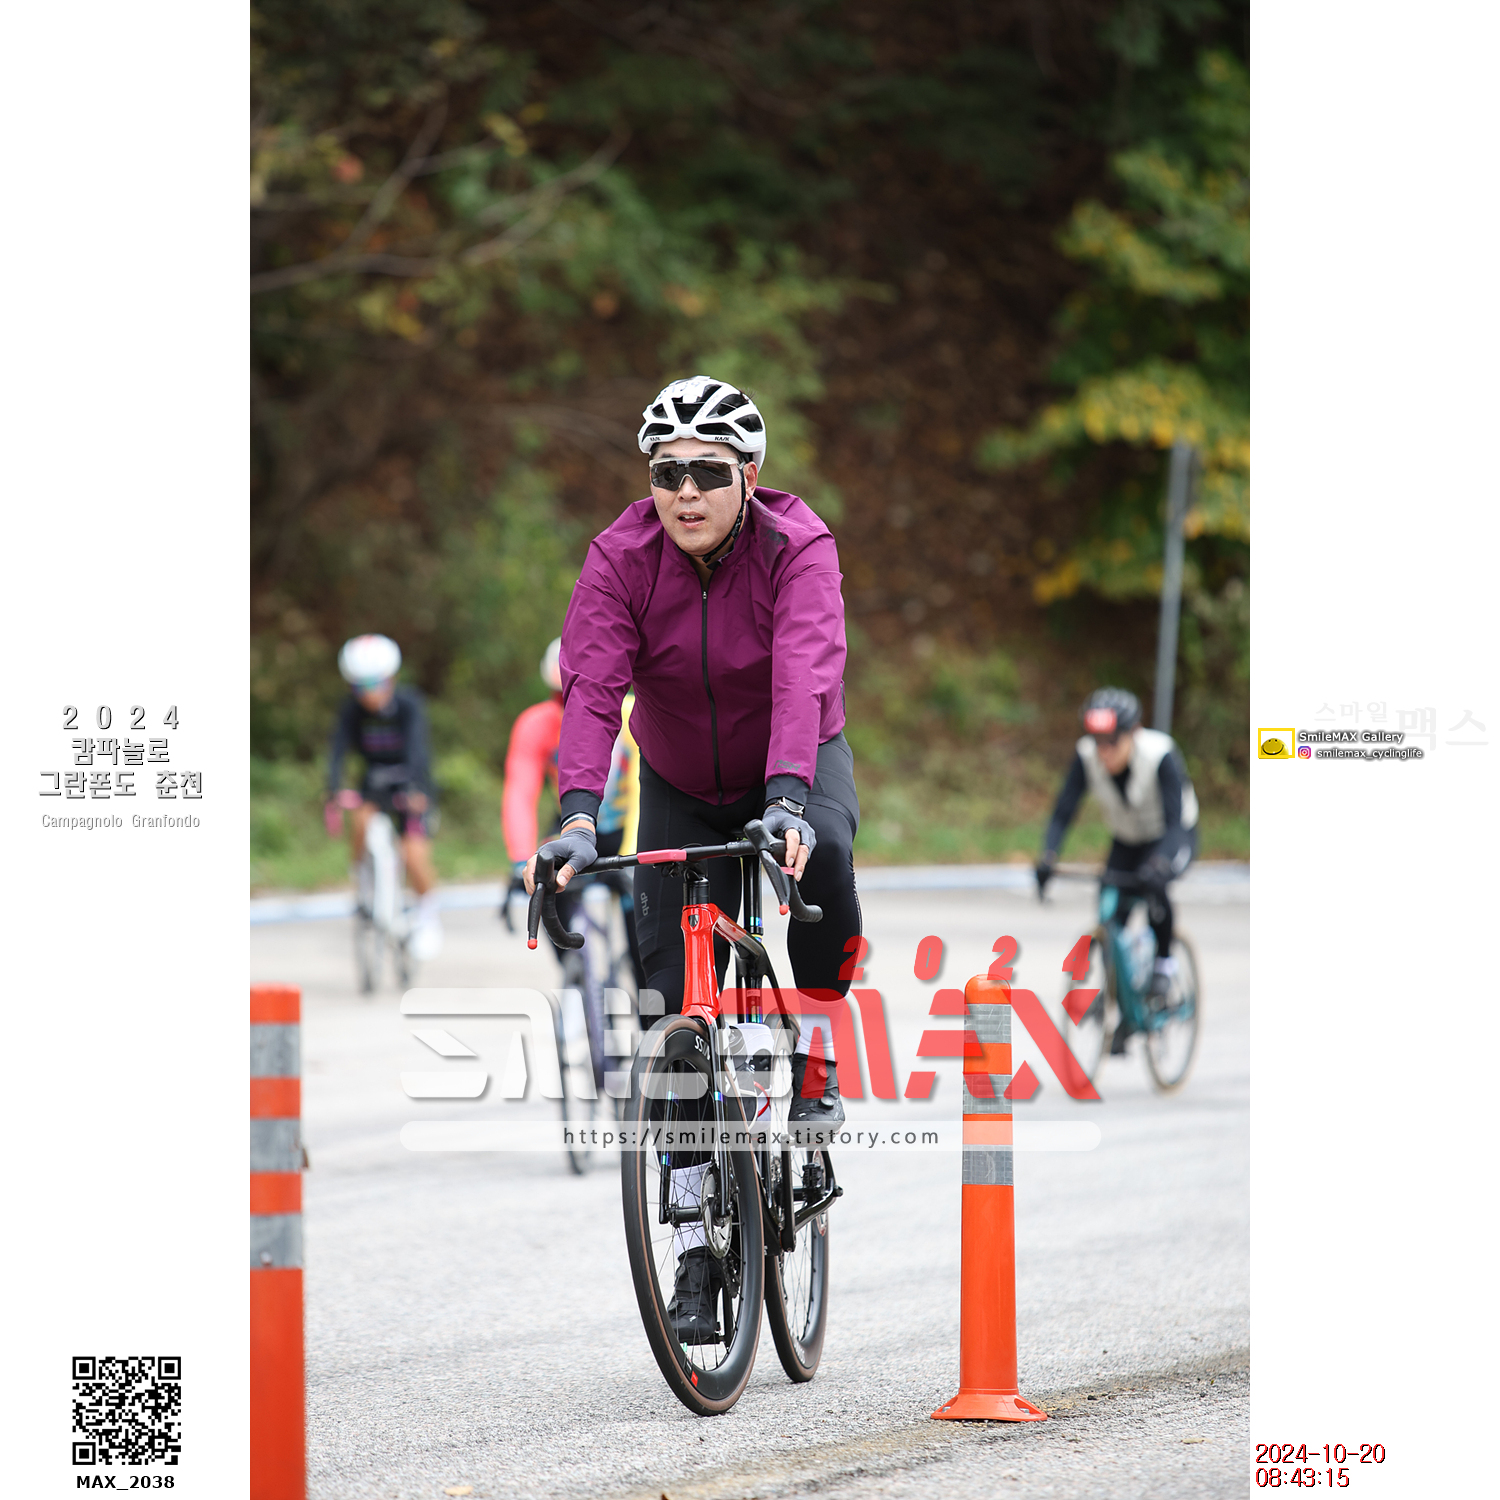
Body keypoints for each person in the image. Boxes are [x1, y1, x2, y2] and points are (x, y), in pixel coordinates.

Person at [522, 373, 863, 1338]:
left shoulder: (798, 545)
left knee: (827, 860)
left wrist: (787, 798)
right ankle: (698, 1247)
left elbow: (803, 671)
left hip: (794, 760)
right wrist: (578, 820)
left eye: (707, 472)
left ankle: (817, 1055)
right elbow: (592, 690)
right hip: (677, 774)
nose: (685, 492)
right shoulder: (620, 556)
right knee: (669, 996)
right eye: (666, 472)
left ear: (749, 474)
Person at [1035, 687, 1198, 1049]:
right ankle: (1120, 997)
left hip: (1171, 836)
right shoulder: (1087, 756)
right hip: (1127, 839)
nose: (1104, 751)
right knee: (1110, 908)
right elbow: (1063, 811)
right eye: (1097, 741)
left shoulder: (1160, 755)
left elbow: (1175, 822)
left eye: (1112, 742)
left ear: (1133, 733)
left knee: (1155, 886)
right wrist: (1048, 856)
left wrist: (1160, 863)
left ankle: (1164, 963)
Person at [502, 639, 645, 987]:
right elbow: (520, 792)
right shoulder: (536, 724)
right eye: (561, 695)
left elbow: (643, 790)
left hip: (628, 826)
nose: (571, 704)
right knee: (545, 879)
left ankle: (648, 1001)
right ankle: (574, 973)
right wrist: (520, 859)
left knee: (644, 936)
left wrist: (632, 857)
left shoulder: (633, 713)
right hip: (572, 827)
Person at [325, 634, 442, 960]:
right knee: (360, 820)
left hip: (411, 784)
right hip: (374, 785)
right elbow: (337, 751)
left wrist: (417, 789)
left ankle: (428, 916)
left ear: (392, 678)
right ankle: (363, 885)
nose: (369, 693)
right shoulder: (351, 711)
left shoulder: (409, 704)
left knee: (414, 855)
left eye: (376, 684)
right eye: (360, 687)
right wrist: (332, 788)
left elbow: (418, 750)